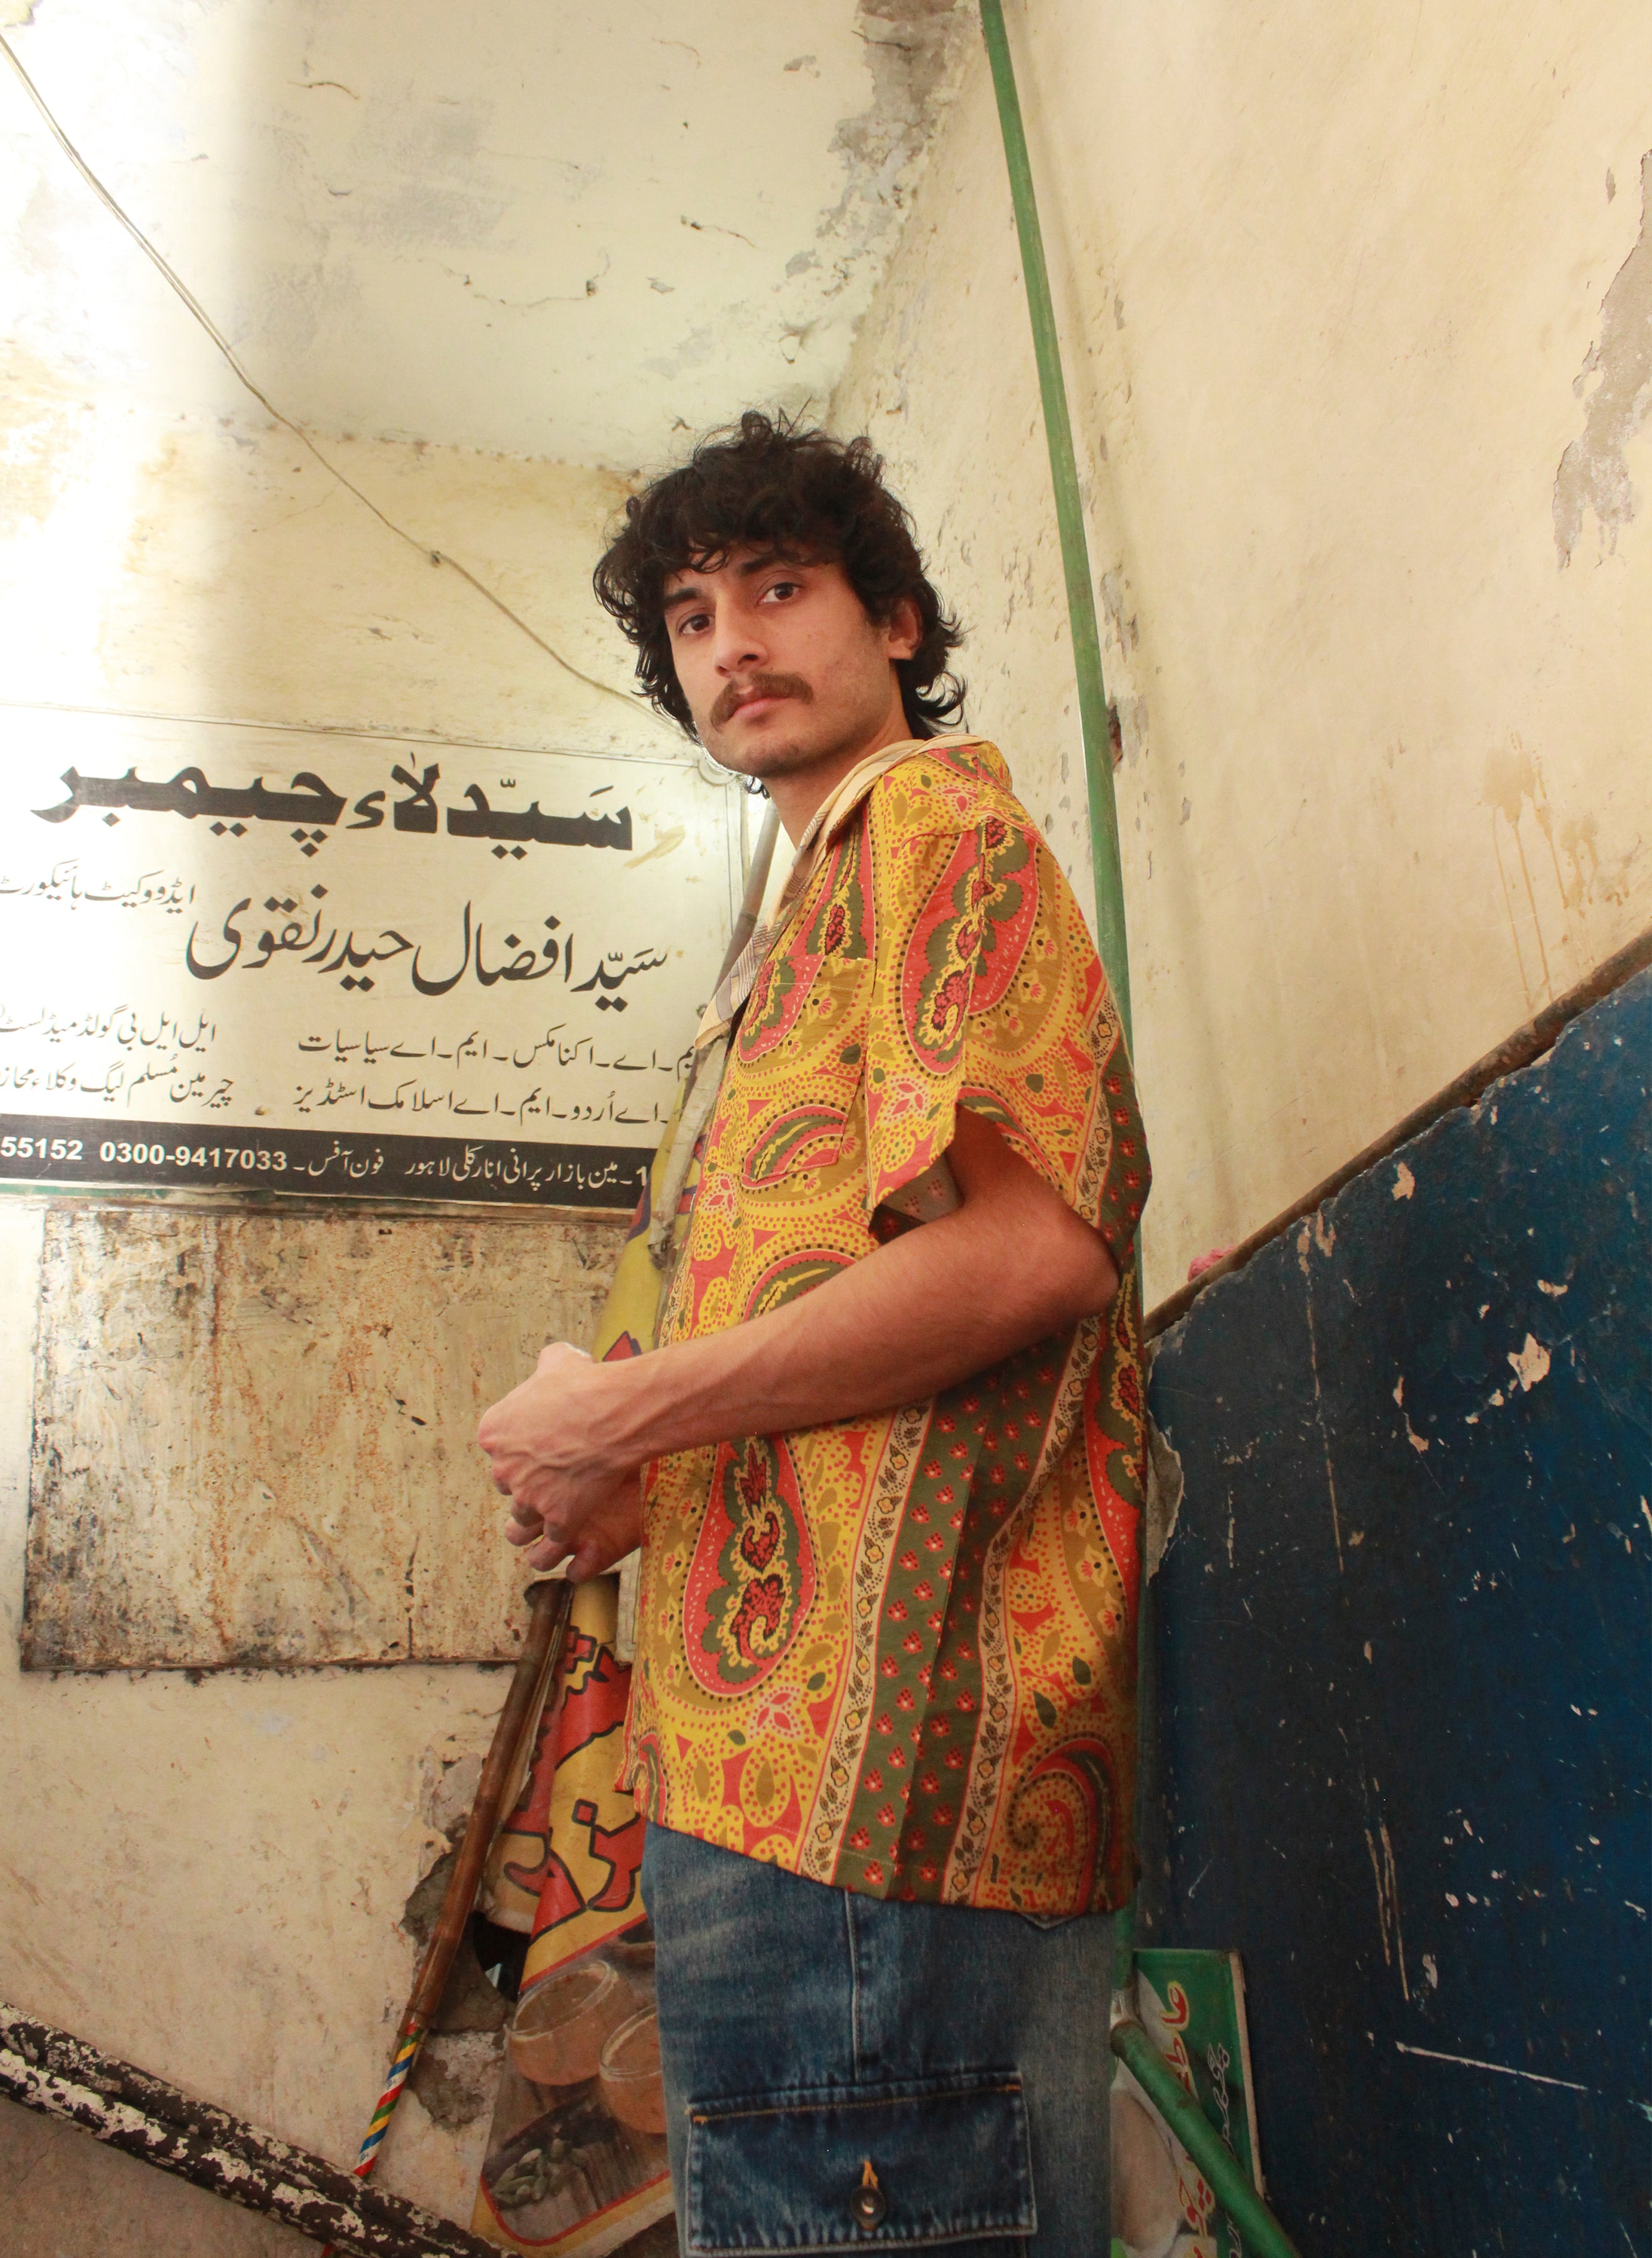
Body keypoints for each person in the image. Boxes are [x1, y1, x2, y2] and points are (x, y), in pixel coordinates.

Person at [479, 412, 1151, 2257]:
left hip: (880, 1774)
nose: (733, 646)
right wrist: (644, 1489)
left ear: (899, 624)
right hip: (773, 1778)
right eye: (691, 619)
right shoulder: (789, 935)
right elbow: (847, 1350)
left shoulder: (928, 820)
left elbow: (1032, 1255)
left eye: (780, 590)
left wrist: (623, 1417)